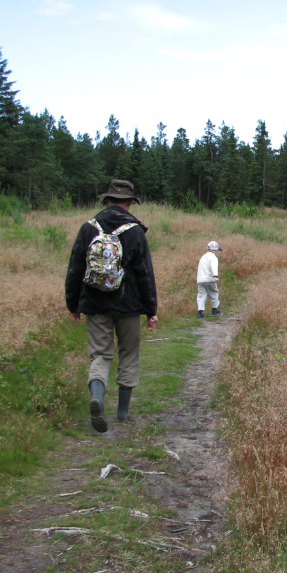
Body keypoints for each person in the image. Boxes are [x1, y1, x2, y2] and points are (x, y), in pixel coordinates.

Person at [65, 179, 158, 432]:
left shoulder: (88, 228)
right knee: (128, 353)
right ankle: (124, 413)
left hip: (95, 302)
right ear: (129, 202)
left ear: (107, 200)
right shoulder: (135, 230)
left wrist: (73, 304)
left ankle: (97, 397)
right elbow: (144, 273)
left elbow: (75, 268)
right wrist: (151, 310)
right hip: (128, 304)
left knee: (100, 354)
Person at [196, 240, 223, 318]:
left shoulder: (203, 257)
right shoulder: (213, 257)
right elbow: (213, 266)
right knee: (214, 292)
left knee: (201, 295)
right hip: (209, 279)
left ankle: (200, 312)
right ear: (215, 249)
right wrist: (215, 276)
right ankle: (214, 309)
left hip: (200, 279)